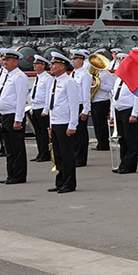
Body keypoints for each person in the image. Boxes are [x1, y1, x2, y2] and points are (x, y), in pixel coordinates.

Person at [0, 48, 29, 185]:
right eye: (4, 60)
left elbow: (21, 100)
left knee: (17, 147)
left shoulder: (19, 77)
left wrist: (18, 119)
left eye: (8, 60)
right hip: (4, 114)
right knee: (9, 147)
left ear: (15, 61)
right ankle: (11, 174)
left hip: (13, 115)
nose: (4, 62)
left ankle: (19, 175)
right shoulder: (6, 75)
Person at [45, 53, 79, 193]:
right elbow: (52, 105)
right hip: (56, 122)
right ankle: (60, 181)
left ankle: (69, 183)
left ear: (62, 66)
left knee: (66, 155)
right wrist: (50, 125)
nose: (51, 66)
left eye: (54, 64)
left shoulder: (69, 82)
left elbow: (73, 105)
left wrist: (72, 125)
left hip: (65, 123)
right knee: (58, 155)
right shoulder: (54, 81)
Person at [111, 55, 138, 174]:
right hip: (119, 110)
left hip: (128, 111)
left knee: (130, 139)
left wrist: (134, 114)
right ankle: (123, 163)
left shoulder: (134, 79)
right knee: (122, 139)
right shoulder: (119, 79)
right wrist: (112, 115)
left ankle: (130, 165)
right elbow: (114, 97)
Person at [70, 49, 93, 167]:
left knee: (81, 133)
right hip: (72, 105)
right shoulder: (72, 74)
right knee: (73, 133)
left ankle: (81, 158)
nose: (72, 61)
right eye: (72, 59)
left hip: (80, 105)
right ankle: (74, 156)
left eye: (75, 59)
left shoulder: (85, 75)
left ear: (81, 61)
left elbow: (86, 93)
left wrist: (85, 109)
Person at [26, 55, 52, 162]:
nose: (34, 65)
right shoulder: (38, 77)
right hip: (36, 107)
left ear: (43, 65)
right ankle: (40, 153)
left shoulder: (47, 78)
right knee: (38, 132)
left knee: (44, 133)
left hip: (42, 108)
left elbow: (48, 95)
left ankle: (45, 154)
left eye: (37, 64)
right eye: (34, 64)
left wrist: (46, 110)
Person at [90, 51, 114, 152]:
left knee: (101, 123)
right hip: (95, 100)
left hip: (102, 101)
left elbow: (111, 87)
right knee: (96, 123)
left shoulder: (106, 73)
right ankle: (100, 142)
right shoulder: (96, 73)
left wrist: (99, 85)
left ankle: (104, 144)